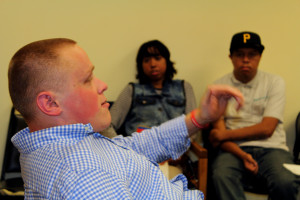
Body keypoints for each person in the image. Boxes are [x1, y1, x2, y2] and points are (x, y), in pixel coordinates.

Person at [8, 38, 244, 199]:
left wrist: (200, 118)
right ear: (50, 103)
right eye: (88, 79)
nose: (103, 85)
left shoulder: (65, 142)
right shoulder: (83, 173)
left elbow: (133, 146)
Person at [209, 31, 300, 200]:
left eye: (252, 54)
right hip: (234, 150)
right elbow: (219, 138)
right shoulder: (218, 87)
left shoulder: (274, 82)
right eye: (240, 54)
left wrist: (223, 134)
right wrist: (242, 154)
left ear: (260, 56)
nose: (245, 59)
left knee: (286, 181)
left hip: (272, 148)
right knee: (221, 175)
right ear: (230, 57)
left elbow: (267, 129)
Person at [108, 40, 197, 136]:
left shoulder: (184, 87)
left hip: (176, 148)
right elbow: (109, 124)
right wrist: (119, 146)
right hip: (139, 148)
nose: (153, 64)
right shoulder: (131, 89)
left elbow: (194, 124)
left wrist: (185, 144)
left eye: (158, 58)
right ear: (140, 66)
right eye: (146, 60)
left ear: (167, 61)